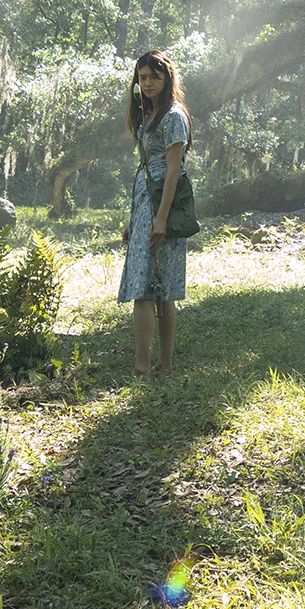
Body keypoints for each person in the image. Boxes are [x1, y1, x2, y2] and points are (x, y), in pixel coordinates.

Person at [118, 49, 191, 374]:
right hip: (145, 206)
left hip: (164, 207)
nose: (147, 83)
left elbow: (173, 171)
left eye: (153, 77)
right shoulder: (149, 116)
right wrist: (134, 222)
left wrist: (161, 218)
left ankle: (149, 366)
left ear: (167, 79)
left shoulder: (173, 116)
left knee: (155, 289)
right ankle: (153, 365)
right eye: (142, 78)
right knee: (148, 287)